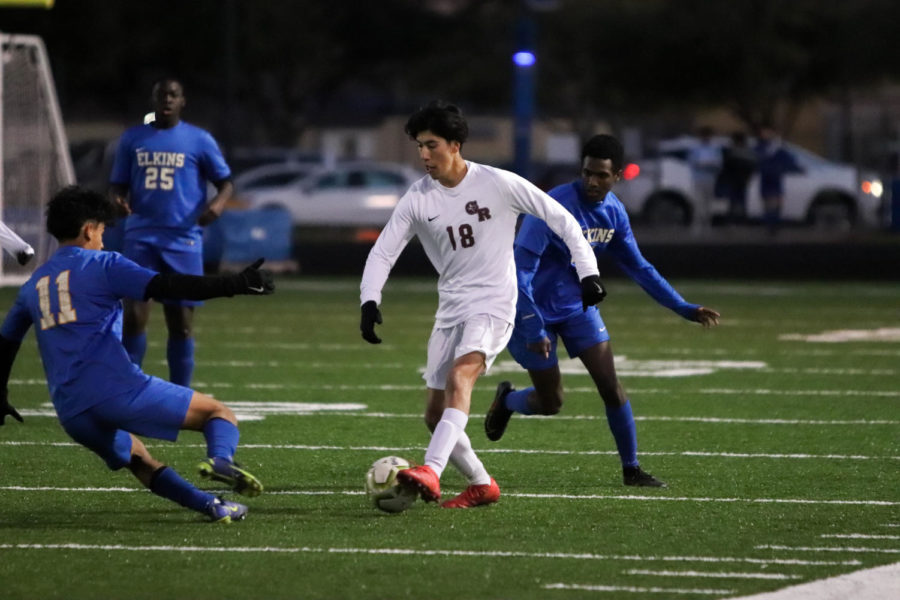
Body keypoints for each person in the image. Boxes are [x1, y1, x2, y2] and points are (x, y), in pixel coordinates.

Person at [359, 101, 604, 508]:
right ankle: (481, 483)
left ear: (455, 145)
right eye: (419, 146)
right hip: (451, 306)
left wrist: (588, 272)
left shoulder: (498, 183)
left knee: (461, 376)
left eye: (431, 145)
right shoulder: (418, 198)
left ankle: (430, 471)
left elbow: (561, 219)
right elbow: (383, 252)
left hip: (494, 302)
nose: (423, 155)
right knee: (435, 416)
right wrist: (369, 300)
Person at [0, 186, 274, 522]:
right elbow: (166, 286)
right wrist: (234, 284)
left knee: (139, 460)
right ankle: (221, 460)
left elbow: (6, 342)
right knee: (218, 414)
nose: (102, 239)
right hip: (115, 390)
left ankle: (213, 507)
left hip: (71, 411)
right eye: (102, 231)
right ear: (89, 229)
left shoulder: (33, 284)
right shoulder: (104, 264)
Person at [484, 134, 721, 488]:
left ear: (618, 176)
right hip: (531, 311)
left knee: (611, 386)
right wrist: (533, 328)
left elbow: (639, 267)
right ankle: (508, 401)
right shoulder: (552, 208)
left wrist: (684, 308)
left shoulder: (614, 213)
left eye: (601, 175)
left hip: (578, 309)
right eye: (587, 173)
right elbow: (519, 273)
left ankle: (632, 469)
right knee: (551, 402)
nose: (592, 181)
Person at [109, 78, 234, 387]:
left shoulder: (199, 140)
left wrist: (218, 205)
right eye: (161, 95)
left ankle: (180, 394)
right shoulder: (132, 139)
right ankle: (129, 391)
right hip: (140, 236)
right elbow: (117, 184)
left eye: (173, 95)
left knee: (180, 323)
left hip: (183, 239)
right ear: (153, 100)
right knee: (134, 317)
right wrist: (117, 200)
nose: (167, 99)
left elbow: (226, 183)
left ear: (183, 101)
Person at [755, 124, 803, 235]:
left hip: (776, 177)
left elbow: (789, 160)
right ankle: (769, 226)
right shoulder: (761, 147)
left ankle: (775, 225)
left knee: (777, 202)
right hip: (766, 177)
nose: (766, 135)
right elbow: (758, 158)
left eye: (768, 132)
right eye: (764, 132)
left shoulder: (779, 147)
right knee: (767, 204)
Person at [686, 126, 721, 235]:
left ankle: (707, 225)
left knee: (708, 203)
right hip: (698, 178)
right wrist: (700, 164)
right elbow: (691, 162)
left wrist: (710, 164)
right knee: (698, 202)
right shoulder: (695, 148)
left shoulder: (715, 148)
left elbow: (719, 163)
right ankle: (697, 225)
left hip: (710, 178)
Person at [717, 131, 757, 225]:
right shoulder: (748, 152)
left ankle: (734, 220)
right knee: (739, 201)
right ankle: (739, 220)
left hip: (735, 180)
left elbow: (725, 166)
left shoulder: (732, 152)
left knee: (734, 202)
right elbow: (752, 167)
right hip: (741, 180)